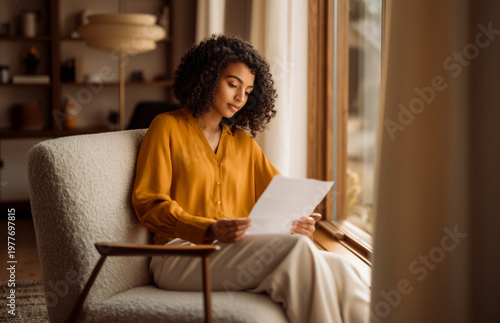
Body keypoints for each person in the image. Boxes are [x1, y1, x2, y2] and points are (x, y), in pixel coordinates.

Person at [132, 35, 370, 322]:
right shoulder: (166, 127)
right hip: (180, 255)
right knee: (296, 250)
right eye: (232, 84)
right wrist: (211, 229)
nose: (240, 98)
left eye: (247, 91)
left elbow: (280, 198)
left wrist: (296, 222)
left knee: (342, 268)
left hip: (233, 251)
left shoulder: (244, 143)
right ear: (206, 78)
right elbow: (148, 204)